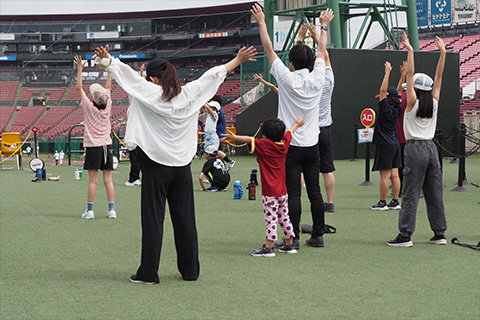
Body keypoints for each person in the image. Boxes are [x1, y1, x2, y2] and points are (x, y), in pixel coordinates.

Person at [93, 44, 257, 284]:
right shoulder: (190, 94)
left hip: (155, 166)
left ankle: (148, 274)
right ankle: (190, 272)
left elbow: (126, 75)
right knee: (185, 221)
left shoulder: (149, 92)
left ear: (153, 78)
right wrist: (237, 60)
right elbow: (213, 76)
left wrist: (108, 60)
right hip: (181, 168)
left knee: (152, 222)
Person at [251, 3, 334, 249]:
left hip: (290, 144)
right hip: (312, 144)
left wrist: (262, 22)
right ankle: (318, 235)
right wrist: (323, 26)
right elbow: (321, 49)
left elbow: (268, 48)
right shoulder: (318, 77)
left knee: (293, 194)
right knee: (315, 192)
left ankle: (293, 237)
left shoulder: (286, 79)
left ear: (293, 63)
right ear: (309, 63)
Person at [387, 32, 447, 247]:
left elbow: (410, 74)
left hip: (414, 149)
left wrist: (410, 50)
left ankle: (405, 236)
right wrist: (443, 53)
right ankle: (439, 233)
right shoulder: (434, 101)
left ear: (415, 88)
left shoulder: (412, 102)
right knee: (434, 192)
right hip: (431, 148)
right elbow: (438, 76)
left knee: (411, 193)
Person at [223, 117, 305, 256]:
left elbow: (249, 139)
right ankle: (289, 244)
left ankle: (268, 248)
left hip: (270, 193)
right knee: (284, 216)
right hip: (282, 192)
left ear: (265, 134)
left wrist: (234, 137)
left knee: (271, 219)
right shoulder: (283, 144)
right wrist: (297, 124)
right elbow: (289, 133)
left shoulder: (264, 145)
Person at [74, 55, 116, 220]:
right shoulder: (109, 106)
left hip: (93, 146)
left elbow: (79, 89)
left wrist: (80, 69)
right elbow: (108, 86)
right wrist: (109, 68)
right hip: (106, 146)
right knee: (108, 180)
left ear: (93, 99)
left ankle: (90, 211)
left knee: (93, 181)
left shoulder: (88, 107)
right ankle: (111, 210)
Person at [370, 62, 403, 211]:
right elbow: (398, 93)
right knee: (395, 175)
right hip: (395, 145)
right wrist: (402, 75)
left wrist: (387, 73)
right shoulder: (398, 107)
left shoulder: (385, 108)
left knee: (384, 176)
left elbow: (383, 91)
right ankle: (395, 201)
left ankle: (382, 202)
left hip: (384, 145)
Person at [316, 49, 336, 212]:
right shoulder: (328, 82)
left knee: (302, 168)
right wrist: (317, 37)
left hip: (309, 130)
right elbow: (327, 58)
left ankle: (299, 199)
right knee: (327, 169)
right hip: (325, 130)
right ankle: (329, 202)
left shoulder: (308, 84)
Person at [203, 98, 235, 170]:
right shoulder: (209, 114)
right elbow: (205, 108)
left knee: (213, 154)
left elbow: (207, 107)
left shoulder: (215, 114)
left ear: (215, 109)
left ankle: (223, 165)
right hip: (208, 136)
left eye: (211, 107)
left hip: (212, 136)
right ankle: (223, 164)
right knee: (211, 153)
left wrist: (202, 100)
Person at [396, 61, 408, 193]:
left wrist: (403, 74)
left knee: (399, 166)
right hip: (408, 138)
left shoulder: (401, 99)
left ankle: (398, 189)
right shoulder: (413, 99)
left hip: (399, 138)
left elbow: (399, 91)